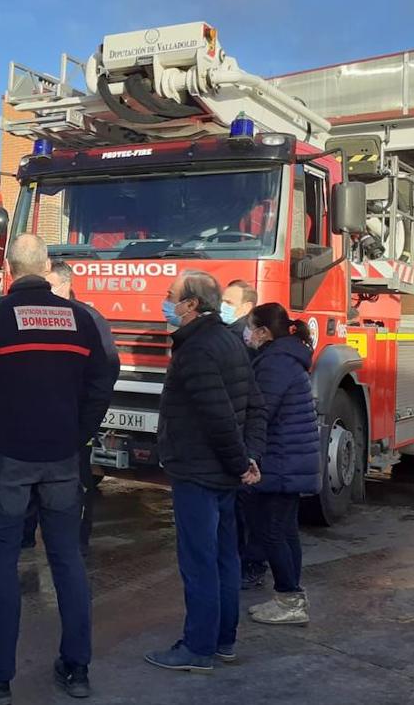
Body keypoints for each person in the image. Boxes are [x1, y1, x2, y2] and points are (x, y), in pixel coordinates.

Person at [0, 235, 116, 702]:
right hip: (63, 460)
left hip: (5, 461)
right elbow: (102, 379)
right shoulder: (81, 320)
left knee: (2, 566)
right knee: (68, 561)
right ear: (47, 267)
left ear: (8, 269)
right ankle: (76, 668)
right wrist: (79, 432)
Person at [144, 270, 266, 673]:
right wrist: (248, 459)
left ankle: (198, 647)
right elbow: (254, 407)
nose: (166, 302)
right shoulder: (231, 343)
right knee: (224, 559)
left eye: (170, 296)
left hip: (200, 474)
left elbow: (218, 418)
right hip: (225, 474)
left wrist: (240, 462)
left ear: (191, 305)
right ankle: (223, 640)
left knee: (199, 563)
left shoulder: (197, 350)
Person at [19, 260, 121, 556]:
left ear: (65, 284)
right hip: (32, 427)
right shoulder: (33, 316)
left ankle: (74, 545)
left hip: (71, 429)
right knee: (28, 489)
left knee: (74, 491)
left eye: (49, 284)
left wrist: (84, 427)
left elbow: (104, 376)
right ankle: (25, 539)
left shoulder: (88, 319)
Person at [243, 303, 320, 625]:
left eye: (250, 326)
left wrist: (248, 456)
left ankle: (290, 600)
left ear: (263, 332)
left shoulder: (274, 363)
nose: (246, 333)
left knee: (272, 533)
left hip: (281, 461)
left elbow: (261, 412)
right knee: (285, 532)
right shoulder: (287, 358)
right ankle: (290, 598)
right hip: (291, 459)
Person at [223, 281, 269, 590]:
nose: (223, 305)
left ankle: (250, 564)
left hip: (242, 435)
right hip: (243, 435)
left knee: (246, 508)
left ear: (247, 307)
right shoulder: (235, 337)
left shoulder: (238, 340)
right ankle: (247, 562)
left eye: (229, 301)